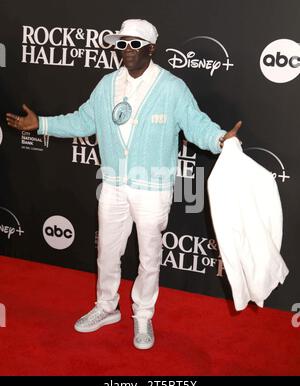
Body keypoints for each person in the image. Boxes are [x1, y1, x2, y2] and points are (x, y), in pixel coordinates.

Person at [6, 19, 242, 350]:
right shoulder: (106, 85)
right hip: (113, 184)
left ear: (151, 49)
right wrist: (42, 124)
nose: (126, 50)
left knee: (149, 257)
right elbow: (82, 120)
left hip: (152, 188)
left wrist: (219, 139)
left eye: (134, 44)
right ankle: (106, 307)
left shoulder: (171, 88)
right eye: (121, 44)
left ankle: (143, 315)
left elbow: (195, 124)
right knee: (107, 252)